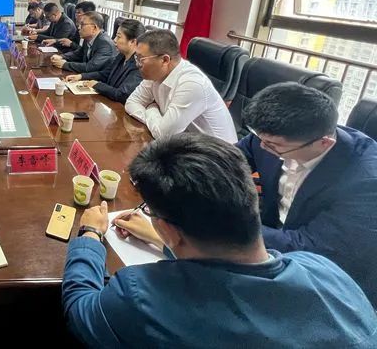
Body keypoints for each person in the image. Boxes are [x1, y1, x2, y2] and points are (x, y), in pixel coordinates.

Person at [63, 133, 377, 348]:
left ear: (169, 229)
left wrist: (90, 234)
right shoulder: (327, 272)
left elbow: (81, 310)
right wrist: (164, 240)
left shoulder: (142, 296)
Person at [238, 82, 377, 305]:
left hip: (324, 277)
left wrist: (230, 225)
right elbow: (232, 158)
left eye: (273, 145)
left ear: (324, 143)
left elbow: (311, 248)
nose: (263, 147)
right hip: (272, 239)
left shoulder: (366, 181)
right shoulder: (273, 135)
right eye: (259, 138)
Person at [125, 29, 236, 143]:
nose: (137, 64)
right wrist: (156, 122)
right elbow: (131, 102)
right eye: (136, 58)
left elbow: (163, 135)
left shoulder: (192, 84)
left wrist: (151, 108)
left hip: (215, 151)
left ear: (164, 60)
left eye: (141, 59)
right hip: (185, 144)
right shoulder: (156, 73)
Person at [65, 18, 145, 103]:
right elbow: (105, 74)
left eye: (118, 37)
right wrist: (81, 76)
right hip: (109, 102)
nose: (114, 40)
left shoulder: (139, 65)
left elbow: (121, 94)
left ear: (133, 42)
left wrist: (97, 85)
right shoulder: (121, 56)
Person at [50, 11, 116, 74]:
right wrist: (61, 56)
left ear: (94, 28)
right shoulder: (88, 37)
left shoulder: (105, 44)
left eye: (82, 24)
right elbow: (78, 53)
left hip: (97, 79)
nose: (79, 27)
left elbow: (91, 67)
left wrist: (64, 64)